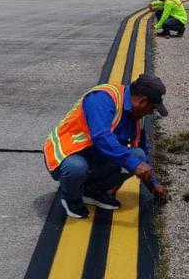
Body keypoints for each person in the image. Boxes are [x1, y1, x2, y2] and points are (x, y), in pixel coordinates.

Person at [43, 73, 169, 218]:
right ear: (142, 101)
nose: (151, 113)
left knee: (138, 155)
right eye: (152, 109)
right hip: (67, 154)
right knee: (77, 167)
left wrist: (153, 184)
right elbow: (101, 137)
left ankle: (92, 190)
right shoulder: (103, 98)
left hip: (95, 155)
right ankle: (71, 198)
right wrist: (134, 164)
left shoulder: (136, 116)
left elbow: (142, 151)